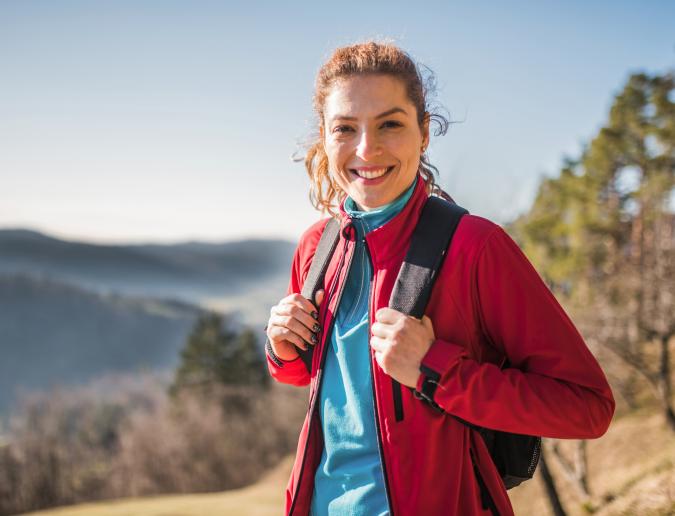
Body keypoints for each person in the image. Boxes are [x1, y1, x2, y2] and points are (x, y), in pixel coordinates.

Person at [264, 41, 615, 516]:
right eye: (345, 128)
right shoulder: (316, 247)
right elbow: (316, 378)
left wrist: (437, 371)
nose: (367, 149)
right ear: (324, 140)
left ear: (424, 133)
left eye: (390, 123)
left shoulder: (475, 247)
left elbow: (587, 406)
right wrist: (284, 349)